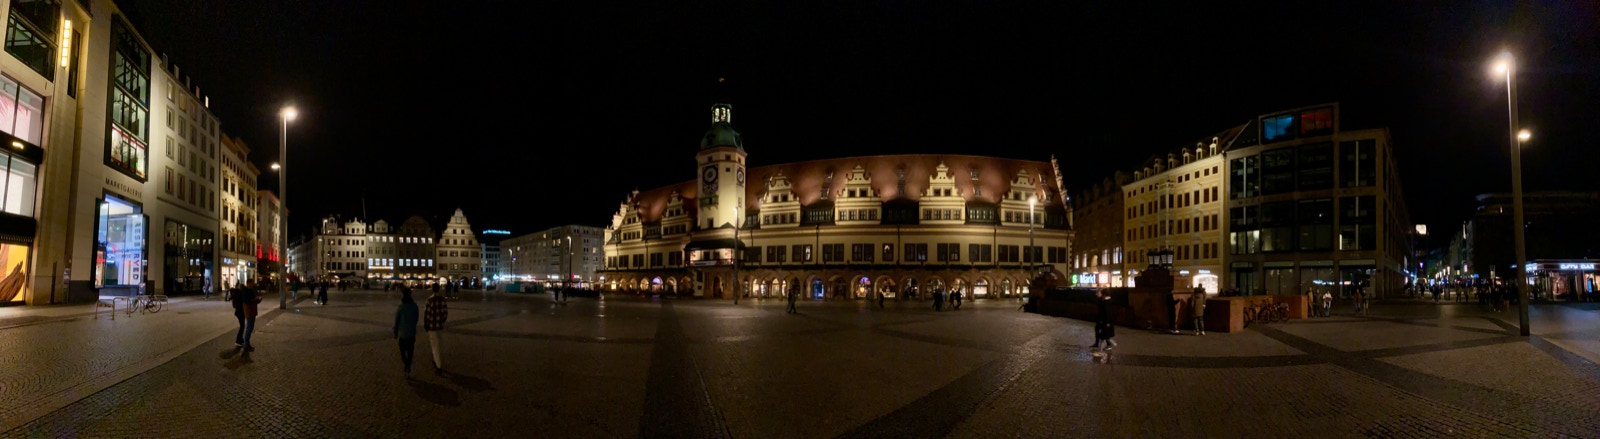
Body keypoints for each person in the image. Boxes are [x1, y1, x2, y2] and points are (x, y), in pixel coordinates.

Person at [394, 287, 420, 377]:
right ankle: (408, 365)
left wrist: (395, 332)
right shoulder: (414, 306)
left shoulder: (401, 307)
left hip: (402, 334)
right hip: (411, 333)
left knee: (402, 352)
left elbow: (396, 321)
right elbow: (416, 319)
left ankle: (406, 365)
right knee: (410, 351)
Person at [424, 285, 449, 375]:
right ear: (439, 289)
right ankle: (435, 360)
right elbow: (445, 313)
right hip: (440, 326)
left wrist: (426, 324)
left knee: (435, 346)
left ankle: (438, 366)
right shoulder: (442, 299)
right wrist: (442, 321)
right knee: (438, 343)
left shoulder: (430, 300)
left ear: (432, 290)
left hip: (432, 326)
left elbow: (427, 313)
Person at [233, 281, 262, 351]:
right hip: (247, 312)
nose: (253, 284)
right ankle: (243, 342)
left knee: (246, 327)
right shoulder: (245, 292)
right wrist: (255, 300)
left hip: (247, 312)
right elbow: (247, 302)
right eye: (252, 283)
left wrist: (256, 300)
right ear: (248, 284)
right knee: (247, 327)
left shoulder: (247, 291)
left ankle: (242, 341)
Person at [1092, 291, 1116, 356]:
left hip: (1106, 322)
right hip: (1105, 322)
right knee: (1105, 337)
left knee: (1102, 337)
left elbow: (1108, 312)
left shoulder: (1107, 302)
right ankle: (1111, 344)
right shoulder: (1107, 301)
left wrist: (1108, 322)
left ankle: (1101, 351)